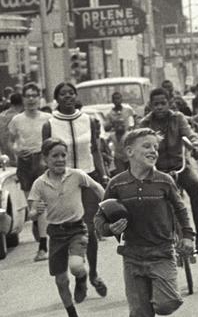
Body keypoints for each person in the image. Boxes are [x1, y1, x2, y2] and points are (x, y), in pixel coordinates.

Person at [95, 128, 194, 317]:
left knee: (166, 304)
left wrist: (188, 236)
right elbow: (100, 217)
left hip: (162, 253)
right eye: (147, 146)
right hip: (132, 257)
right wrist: (109, 228)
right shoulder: (117, 184)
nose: (153, 151)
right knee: (140, 313)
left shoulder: (164, 181)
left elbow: (180, 210)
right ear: (130, 152)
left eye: (156, 147)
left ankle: (159, 297)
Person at [42, 82, 110, 298]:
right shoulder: (50, 124)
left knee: (89, 229)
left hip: (87, 175)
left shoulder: (88, 120)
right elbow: (46, 155)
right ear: (57, 98)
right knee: (67, 229)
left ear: (76, 96)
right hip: (63, 181)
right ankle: (78, 273)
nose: (68, 97)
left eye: (71, 93)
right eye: (63, 94)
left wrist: (104, 175)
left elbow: (95, 150)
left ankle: (93, 275)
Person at [28, 138, 104, 317]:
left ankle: (82, 278)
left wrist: (107, 204)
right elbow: (31, 211)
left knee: (77, 266)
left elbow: (97, 187)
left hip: (77, 229)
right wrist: (35, 211)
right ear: (45, 159)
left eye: (63, 155)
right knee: (61, 280)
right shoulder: (39, 183)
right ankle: (72, 313)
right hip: (55, 234)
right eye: (55, 156)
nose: (60, 159)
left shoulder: (76, 175)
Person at [138, 88, 198, 253]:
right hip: (157, 170)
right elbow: (137, 142)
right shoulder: (145, 123)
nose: (159, 107)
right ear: (150, 105)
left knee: (196, 187)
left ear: (170, 103)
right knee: (145, 199)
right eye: (156, 104)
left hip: (180, 166)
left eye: (163, 103)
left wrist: (196, 145)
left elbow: (190, 135)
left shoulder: (178, 119)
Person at [8, 83, 51, 262]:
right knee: (33, 206)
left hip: (42, 159)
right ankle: (38, 224)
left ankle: (43, 246)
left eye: (34, 95)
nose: (31, 99)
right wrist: (16, 152)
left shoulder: (48, 118)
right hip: (25, 163)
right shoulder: (17, 120)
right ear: (23, 99)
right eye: (28, 96)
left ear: (39, 97)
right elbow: (10, 142)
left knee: (41, 204)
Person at [0, 93, 23, 164]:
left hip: (3, 155)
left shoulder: (1, 115)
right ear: (22, 104)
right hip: (16, 155)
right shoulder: (18, 118)